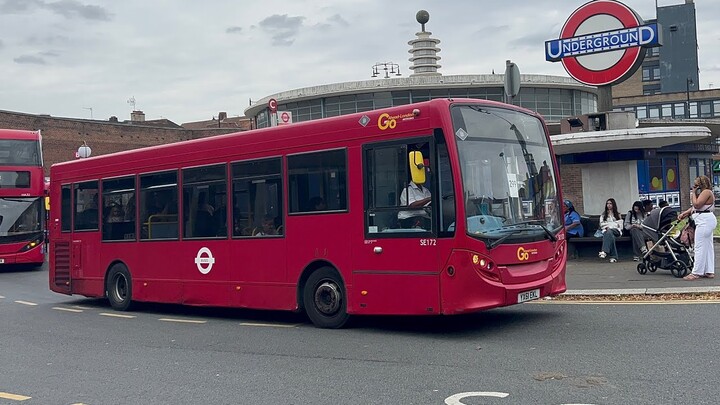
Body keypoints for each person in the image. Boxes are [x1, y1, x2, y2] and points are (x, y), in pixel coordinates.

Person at [678, 175, 716, 280]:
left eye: (695, 184)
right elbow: (695, 208)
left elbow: (697, 204)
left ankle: (696, 272)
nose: (693, 186)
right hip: (705, 220)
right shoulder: (705, 193)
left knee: (699, 246)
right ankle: (709, 270)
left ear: (700, 184)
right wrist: (685, 213)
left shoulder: (706, 192)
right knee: (707, 246)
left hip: (704, 221)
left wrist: (693, 193)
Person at [598, 198, 623, 263]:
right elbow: (602, 224)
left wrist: (609, 225)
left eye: (610, 203)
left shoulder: (618, 214)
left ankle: (604, 251)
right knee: (610, 235)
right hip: (607, 231)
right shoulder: (603, 215)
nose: (609, 205)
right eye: (607, 204)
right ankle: (613, 257)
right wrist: (610, 225)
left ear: (613, 204)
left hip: (616, 231)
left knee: (609, 231)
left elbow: (619, 225)